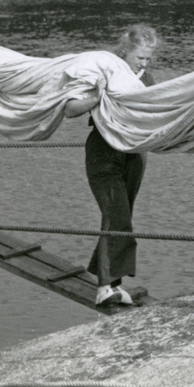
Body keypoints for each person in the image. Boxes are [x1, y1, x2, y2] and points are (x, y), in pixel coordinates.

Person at [64, 25, 159, 307]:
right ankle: (105, 286)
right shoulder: (102, 71)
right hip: (103, 152)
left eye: (148, 58)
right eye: (139, 57)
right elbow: (70, 109)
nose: (144, 63)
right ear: (124, 51)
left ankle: (112, 282)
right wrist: (98, 96)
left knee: (120, 217)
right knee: (116, 215)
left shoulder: (148, 79)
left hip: (134, 154)